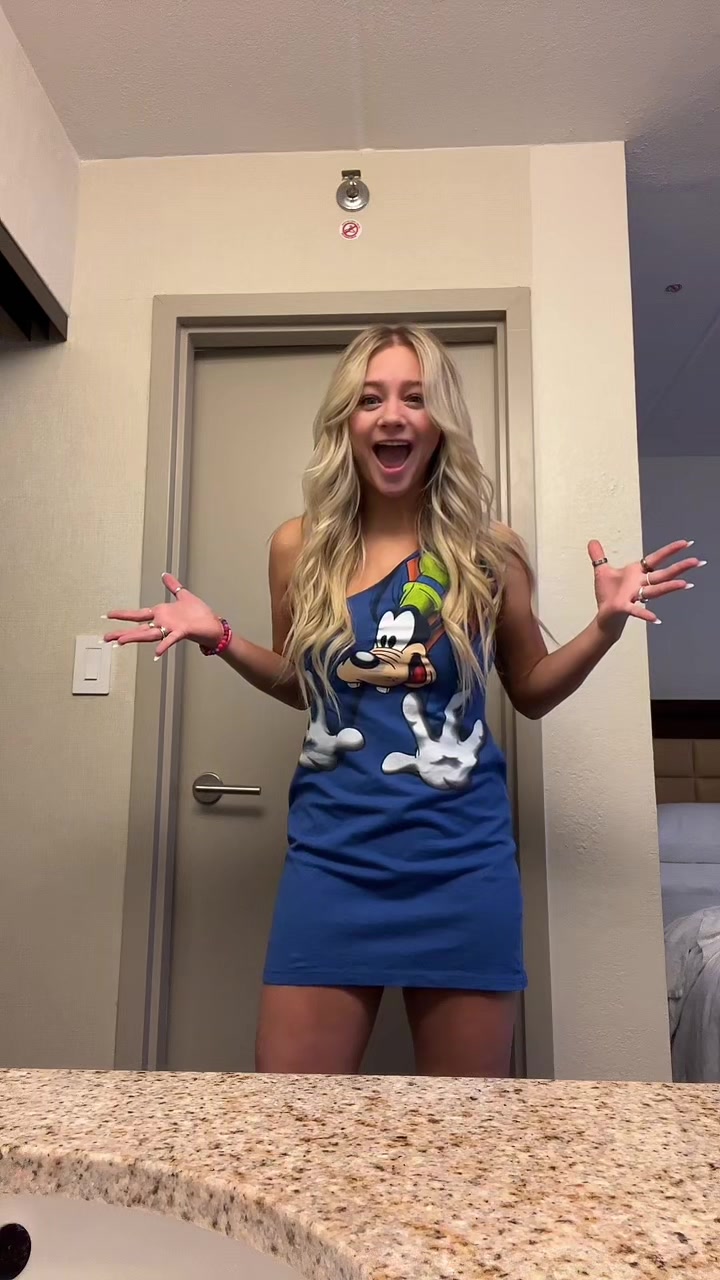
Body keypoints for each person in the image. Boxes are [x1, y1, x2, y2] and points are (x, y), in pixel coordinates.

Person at [105, 325, 701, 1078]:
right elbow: (305, 688)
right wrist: (219, 638)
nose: (392, 415)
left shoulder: (490, 551)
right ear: (346, 423)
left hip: (463, 865)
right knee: (291, 1119)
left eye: (415, 398)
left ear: (439, 421)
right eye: (370, 399)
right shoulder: (298, 547)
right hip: (331, 861)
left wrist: (605, 627)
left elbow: (531, 691)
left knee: (465, 1131)